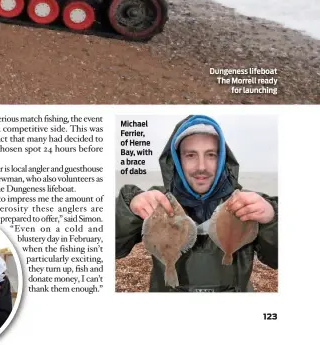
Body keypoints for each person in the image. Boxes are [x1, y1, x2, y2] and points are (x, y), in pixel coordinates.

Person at [115, 114, 278, 292]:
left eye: (211, 155)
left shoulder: (248, 204)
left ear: (222, 159)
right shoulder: (157, 201)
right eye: (191, 155)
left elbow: (277, 258)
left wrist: (273, 217)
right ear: (177, 161)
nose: (202, 166)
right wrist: (129, 207)